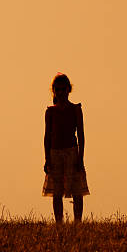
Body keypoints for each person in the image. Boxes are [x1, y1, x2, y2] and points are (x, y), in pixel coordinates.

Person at [42, 73, 90, 222]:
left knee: (77, 190)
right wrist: (47, 159)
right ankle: (59, 222)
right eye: (58, 89)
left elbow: (81, 135)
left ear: (69, 90)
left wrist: (80, 157)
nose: (61, 93)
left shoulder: (76, 109)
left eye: (64, 89)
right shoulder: (50, 112)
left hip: (71, 152)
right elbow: (47, 137)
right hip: (55, 153)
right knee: (57, 192)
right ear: (54, 91)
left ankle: (77, 222)